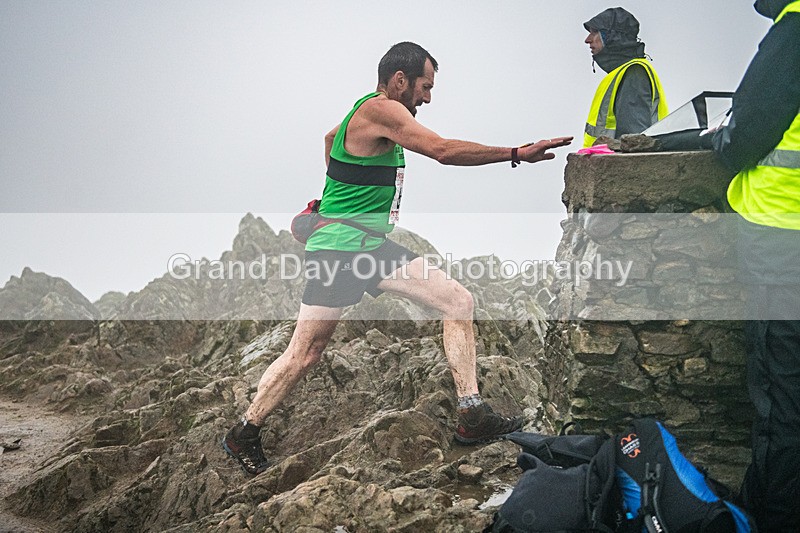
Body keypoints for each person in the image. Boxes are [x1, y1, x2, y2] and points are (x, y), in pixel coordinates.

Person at [222, 41, 573, 476]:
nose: (428, 97)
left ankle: (470, 412)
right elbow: (442, 151)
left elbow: (331, 138)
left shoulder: (363, 114)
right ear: (399, 81)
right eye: (425, 86)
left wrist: (337, 190)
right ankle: (244, 432)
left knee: (453, 301)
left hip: (363, 246)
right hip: (341, 250)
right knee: (307, 351)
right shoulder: (384, 110)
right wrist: (517, 154)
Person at [707, 1, 800, 530]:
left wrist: (722, 138)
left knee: (783, 392)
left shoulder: (794, 31)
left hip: (783, 238)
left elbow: (743, 134)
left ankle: (775, 517)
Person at [582, 7, 668, 147]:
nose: (587, 39)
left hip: (619, 167)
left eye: (594, 32)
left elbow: (634, 143)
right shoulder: (622, 73)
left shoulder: (634, 72)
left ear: (612, 37)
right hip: (605, 165)